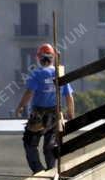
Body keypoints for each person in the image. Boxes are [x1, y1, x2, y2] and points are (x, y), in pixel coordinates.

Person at [15, 44, 75, 173]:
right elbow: (69, 96)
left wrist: (20, 107)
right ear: (52, 58)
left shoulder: (37, 74)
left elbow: (29, 93)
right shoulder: (60, 74)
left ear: (39, 58)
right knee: (50, 145)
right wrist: (71, 113)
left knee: (30, 143)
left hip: (39, 115)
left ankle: (38, 170)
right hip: (55, 114)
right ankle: (51, 170)